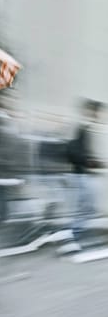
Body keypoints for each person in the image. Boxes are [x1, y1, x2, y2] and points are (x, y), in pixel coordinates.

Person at [58, 98, 104, 254]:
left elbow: (84, 152)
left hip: (85, 174)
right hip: (79, 174)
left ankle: (77, 235)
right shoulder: (79, 127)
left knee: (88, 208)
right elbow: (72, 151)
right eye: (95, 111)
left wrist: (95, 162)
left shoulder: (86, 128)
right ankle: (73, 237)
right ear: (88, 111)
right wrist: (89, 161)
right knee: (83, 208)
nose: (98, 115)